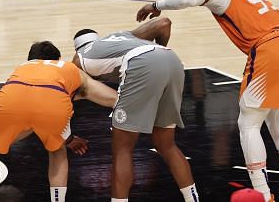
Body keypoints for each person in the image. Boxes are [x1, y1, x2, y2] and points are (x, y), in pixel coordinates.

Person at [136, 0, 279, 202]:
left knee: (248, 125)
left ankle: (262, 195)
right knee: (278, 122)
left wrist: (156, 4)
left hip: (271, 47)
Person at [0, 40, 118, 202]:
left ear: (31, 59)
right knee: (56, 150)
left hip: (11, 102)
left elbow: (30, 103)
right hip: (53, 107)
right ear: (58, 59)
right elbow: (112, 98)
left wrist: (68, 138)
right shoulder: (67, 67)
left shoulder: (23, 68)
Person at [72, 18, 199, 202]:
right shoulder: (122, 37)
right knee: (166, 145)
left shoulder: (79, 59)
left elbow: (64, 91)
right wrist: (158, 63)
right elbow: (164, 23)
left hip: (142, 64)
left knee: (122, 149)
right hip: (171, 60)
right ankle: (193, 199)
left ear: (77, 48)